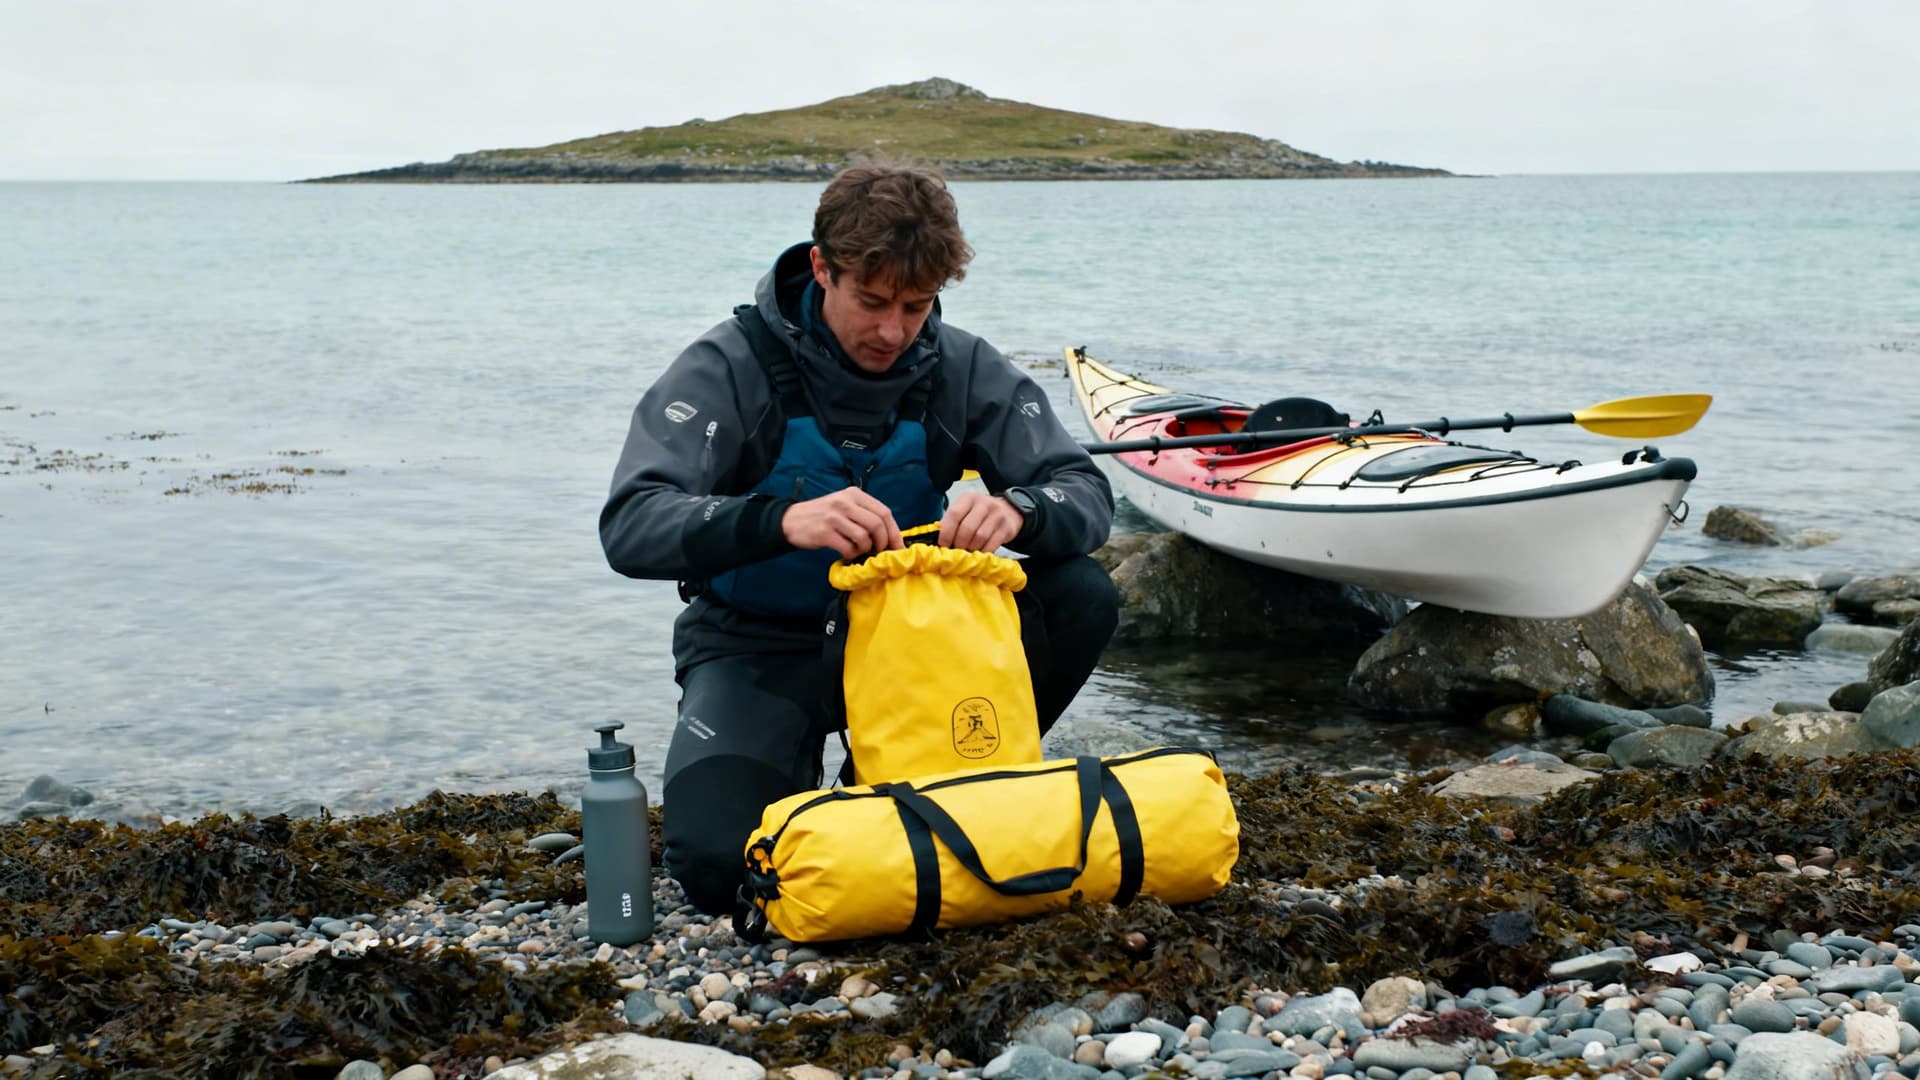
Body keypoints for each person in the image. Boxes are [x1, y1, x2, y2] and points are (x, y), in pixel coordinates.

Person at [599, 163, 1119, 915]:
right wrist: (777, 519)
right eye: (871, 301)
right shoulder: (728, 367)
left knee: (1081, 593)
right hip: (760, 647)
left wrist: (1019, 511)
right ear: (821, 267)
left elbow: (1086, 493)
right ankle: (818, 784)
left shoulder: (962, 367)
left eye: (916, 305)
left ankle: (936, 780)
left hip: (916, 652)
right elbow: (631, 522)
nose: (892, 331)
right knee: (722, 872)